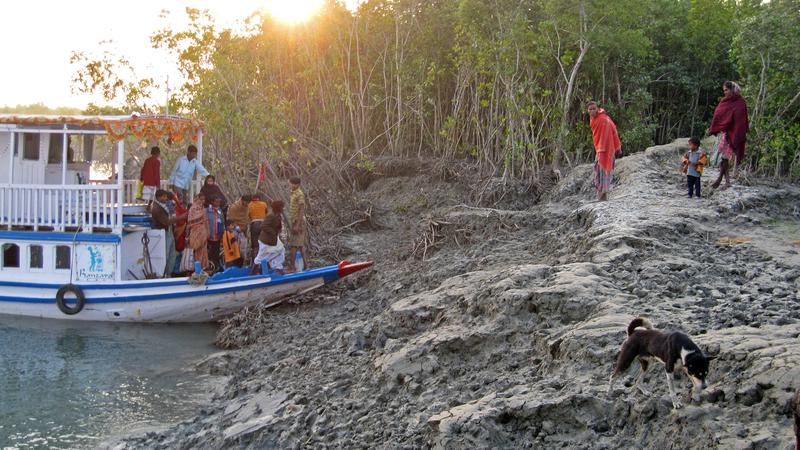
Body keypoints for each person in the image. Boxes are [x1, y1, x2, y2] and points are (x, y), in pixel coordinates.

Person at [707, 81, 749, 190]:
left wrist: (737, 133)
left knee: (725, 157)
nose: (725, 92)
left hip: (734, 133)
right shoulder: (725, 101)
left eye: (726, 90)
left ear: (732, 90)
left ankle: (720, 180)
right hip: (725, 133)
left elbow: (741, 121)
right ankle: (726, 181)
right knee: (723, 158)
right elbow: (719, 113)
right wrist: (718, 126)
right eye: (724, 90)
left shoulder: (740, 102)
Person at [587, 101, 621, 202]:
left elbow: (613, 130)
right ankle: (602, 197)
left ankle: (602, 197)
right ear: (587, 111)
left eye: (594, 108)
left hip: (607, 150)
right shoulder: (593, 119)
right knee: (598, 172)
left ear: (597, 109)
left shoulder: (604, 119)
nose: (592, 110)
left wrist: (616, 146)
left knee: (604, 172)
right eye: (590, 109)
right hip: (599, 149)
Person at [150, 189, 187, 277]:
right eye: (164, 196)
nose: (166, 198)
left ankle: (169, 273)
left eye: (166, 196)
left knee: (172, 254)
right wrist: (181, 217)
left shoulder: (162, 206)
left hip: (169, 231)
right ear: (159, 197)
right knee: (165, 255)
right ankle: (164, 274)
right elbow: (166, 221)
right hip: (164, 233)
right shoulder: (156, 208)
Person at [252, 200, 285, 275]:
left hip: (272, 239)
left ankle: (277, 267)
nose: (283, 209)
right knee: (261, 256)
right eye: (281, 207)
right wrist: (273, 232)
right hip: (265, 240)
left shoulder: (277, 215)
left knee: (281, 250)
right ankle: (255, 270)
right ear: (278, 207)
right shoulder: (271, 215)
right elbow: (263, 226)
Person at [286, 176, 308, 272]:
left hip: (298, 222)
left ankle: (292, 267)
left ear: (297, 184)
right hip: (295, 221)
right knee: (300, 245)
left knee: (294, 245)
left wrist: (297, 225)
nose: (289, 185)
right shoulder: (293, 193)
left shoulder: (299, 194)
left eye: (291, 183)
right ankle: (306, 265)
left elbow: (301, 210)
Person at [187, 192, 209, 271]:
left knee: (203, 251)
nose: (202, 201)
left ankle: (203, 269)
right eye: (201, 199)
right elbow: (190, 222)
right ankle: (197, 269)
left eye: (204, 199)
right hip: (195, 233)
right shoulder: (193, 208)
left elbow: (206, 221)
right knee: (197, 250)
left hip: (203, 233)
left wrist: (207, 231)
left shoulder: (203, 208)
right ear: (197, 198)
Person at [227, 194, 252, 264]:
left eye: (248, 202)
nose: (247, 204)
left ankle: (241, 264)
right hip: (235, 230)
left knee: (243, 249)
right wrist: (237, 227)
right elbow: (230, 219)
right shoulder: (234, 207)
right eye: (246, 202)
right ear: (242, 200)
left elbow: (246, 218)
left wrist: (245, 227)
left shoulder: (247, 207)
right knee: (235, 248)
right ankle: (233, 264)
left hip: (244, 230)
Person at [248, 193, 269, 261]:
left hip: (254, 224)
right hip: (263, 224)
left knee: (255, 245)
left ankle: (255, 263)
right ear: (259, 198)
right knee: (265, 244)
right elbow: (266, 213)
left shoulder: (249, 205)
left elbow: (248, 216)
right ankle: (266, 262)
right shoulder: (264, 204)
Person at [206, 196, 225, 273]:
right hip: (209, 236)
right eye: (216, 202)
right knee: (210, 254)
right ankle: (210, 268)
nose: (218, 204)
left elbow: (222, 221)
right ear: (212, 202)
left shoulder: (220, 211)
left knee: (216, 253)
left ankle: (216, 268)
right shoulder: (207, 211)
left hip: (218, 236)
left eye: (219, 202)